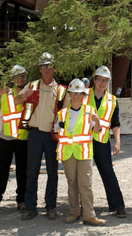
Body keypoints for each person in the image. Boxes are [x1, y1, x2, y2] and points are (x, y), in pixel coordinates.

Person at [21, 52, 67, 220]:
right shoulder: (32, 86)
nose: (47, 69)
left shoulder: (62, 91)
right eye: (43, 66)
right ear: (39, 69)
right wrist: (22, 97)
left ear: (54, 68)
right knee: (31, 171)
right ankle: (31, 207)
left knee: (52, 171)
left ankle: (51, 206)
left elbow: (66, 113)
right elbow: (19, 101)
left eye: (49, 66)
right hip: (34, 134)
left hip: (51, 136)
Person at [55, 79, 104, 226]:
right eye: (73, 94)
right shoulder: (62, 113)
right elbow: (56, 132)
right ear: (69, 95)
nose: (76, 96)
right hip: (68, 153)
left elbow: (96, 131)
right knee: (72, 183)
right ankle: (74, 212)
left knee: (85, 184)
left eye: (79, 94)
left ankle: (89, 215)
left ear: (83, 95)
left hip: (83, 153)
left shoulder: (90, 111)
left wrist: (98, 121)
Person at [84, 65, 126, 218]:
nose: (102, 83)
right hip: (84, 141)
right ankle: (83, 207)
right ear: (94, 80)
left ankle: (118, 205)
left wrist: (118, 142)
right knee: (83, 175)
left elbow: (115, 123)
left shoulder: (112, 100)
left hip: (101, 141)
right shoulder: (83, 95)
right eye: (100, 80)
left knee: (108, 172)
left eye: (105, 81)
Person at [0, 65, 29, 212]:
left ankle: (22, 200)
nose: (20, 79)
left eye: (23, 76)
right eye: (17, 76)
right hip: (6, 137)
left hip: (23, 138)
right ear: (12, 79)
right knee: (2, 170)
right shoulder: (6, 94)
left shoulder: (28, 94)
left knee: (22, 171)